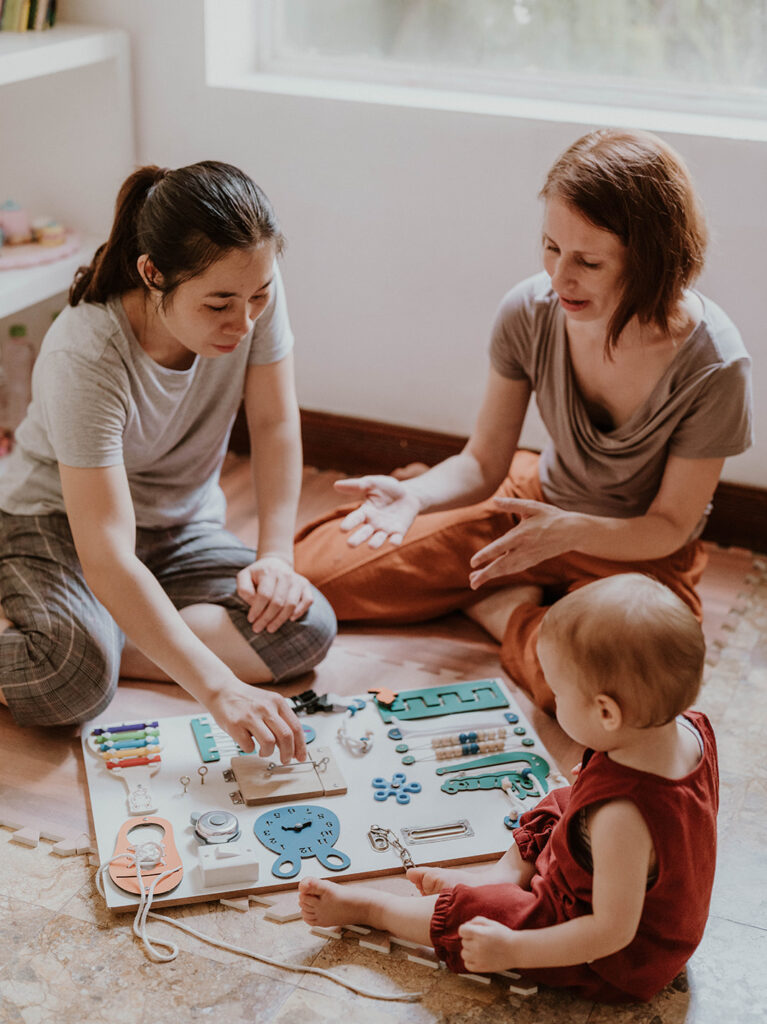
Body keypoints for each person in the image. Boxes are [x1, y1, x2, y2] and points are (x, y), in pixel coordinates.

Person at [293, 128, 752, 713]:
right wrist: (414, 495)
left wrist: (570, 532)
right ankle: (523, 599)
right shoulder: (530, 310)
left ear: (653, 262)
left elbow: (668, 523)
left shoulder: (715, 364)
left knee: (612, 695)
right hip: (533, 500)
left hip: (640, 549)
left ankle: (505, 609)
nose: (560, 278)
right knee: (309, 581)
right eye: (551, 248)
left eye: (588, 261)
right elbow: (484, 462)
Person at [0, 161, 336, 762]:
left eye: (260, 295)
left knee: (305, 626)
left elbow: (275, 423)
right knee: (70, 684)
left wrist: (276, 557)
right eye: (220, 305)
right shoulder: (86, 352)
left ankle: (111, 634)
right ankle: (96, 640)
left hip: (178, 526)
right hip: (56, 523)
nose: (245, 321)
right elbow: (106, 553)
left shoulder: (250, 296)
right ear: (153, 274)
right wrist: (218, 688)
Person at [299, 573, 717, 1003]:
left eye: (558, 692)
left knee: (483, 919)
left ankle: (375, 910)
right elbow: (670, 811)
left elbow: (609, 932)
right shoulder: (686, 728)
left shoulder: (622, 818)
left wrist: (514, 948)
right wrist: (595, 779)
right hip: (625, 889)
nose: (551, 698)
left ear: (607, 713)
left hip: (617, 957)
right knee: (560, 801)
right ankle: (499, 879)